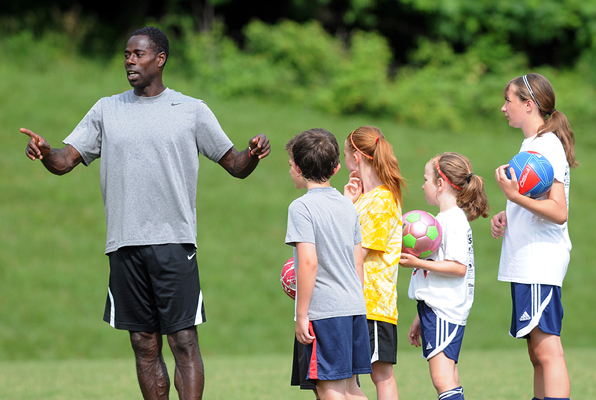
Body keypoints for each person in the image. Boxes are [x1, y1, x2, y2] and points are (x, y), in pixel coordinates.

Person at [21, 26, 270, 400]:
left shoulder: (190, 110)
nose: (129, 61)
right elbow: (64, 162)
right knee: (142, 342)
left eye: (138, 54)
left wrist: (252, 153)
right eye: (126, 55)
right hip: (124, 244)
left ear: (160, 59)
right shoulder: (107, 109)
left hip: (174, 243)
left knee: (183, 340)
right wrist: (44, 152)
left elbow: (234, 164)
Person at [491, 73, 577, 400]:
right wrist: (509, 215)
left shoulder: (546, 146)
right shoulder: (533, 144)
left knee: (548, 351)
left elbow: (559, 211)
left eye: (508, 100)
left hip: (540, 260)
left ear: (528, 105)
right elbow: (537, 203)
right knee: (536, 353)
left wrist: (514, 199)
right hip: (528, 261)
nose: (503, 108)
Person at [285, 128, 372, 400]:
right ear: (336, 168)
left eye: (289, 165)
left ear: (298, 168)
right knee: (351, 388)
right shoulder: (349, 206)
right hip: (354, 308)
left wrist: (301, 316)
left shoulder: (301, 208)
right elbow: (358, 263)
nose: (289, 170)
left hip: (325, 313)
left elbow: (308, 263)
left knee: (329, 389)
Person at [400, 152, 489, 400]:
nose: (422, 185)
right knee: (449, 376)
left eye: (426, 179)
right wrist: (420, 315)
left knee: (442, 379)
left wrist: (416, 262)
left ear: (440, 183)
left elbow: (458, 267)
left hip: (444, 310)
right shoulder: (443, 220)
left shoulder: (453, 221)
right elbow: (436, 269)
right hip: (435, 308)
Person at [343, 126, 406, 400]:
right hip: (356, 300)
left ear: (357, 156)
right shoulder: (366, 199)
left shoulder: (382, 200)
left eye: (346, 154)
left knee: (381, 375)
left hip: (374, 303)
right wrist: (350, 203)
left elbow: (357, 251)